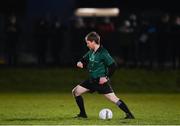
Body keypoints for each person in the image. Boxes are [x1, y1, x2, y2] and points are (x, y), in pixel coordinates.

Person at [72, 31, 135, 119]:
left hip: (100, 82)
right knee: (76, 91)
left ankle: (129, 114)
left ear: (93, 42)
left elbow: (113, 66)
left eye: (88, 43)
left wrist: (106, 77)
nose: (87, 45)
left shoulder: (103, 53)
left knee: (113, 99)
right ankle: (83, 114)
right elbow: (83, 59)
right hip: (91, 80)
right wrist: (80, 62)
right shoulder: (91, 51)